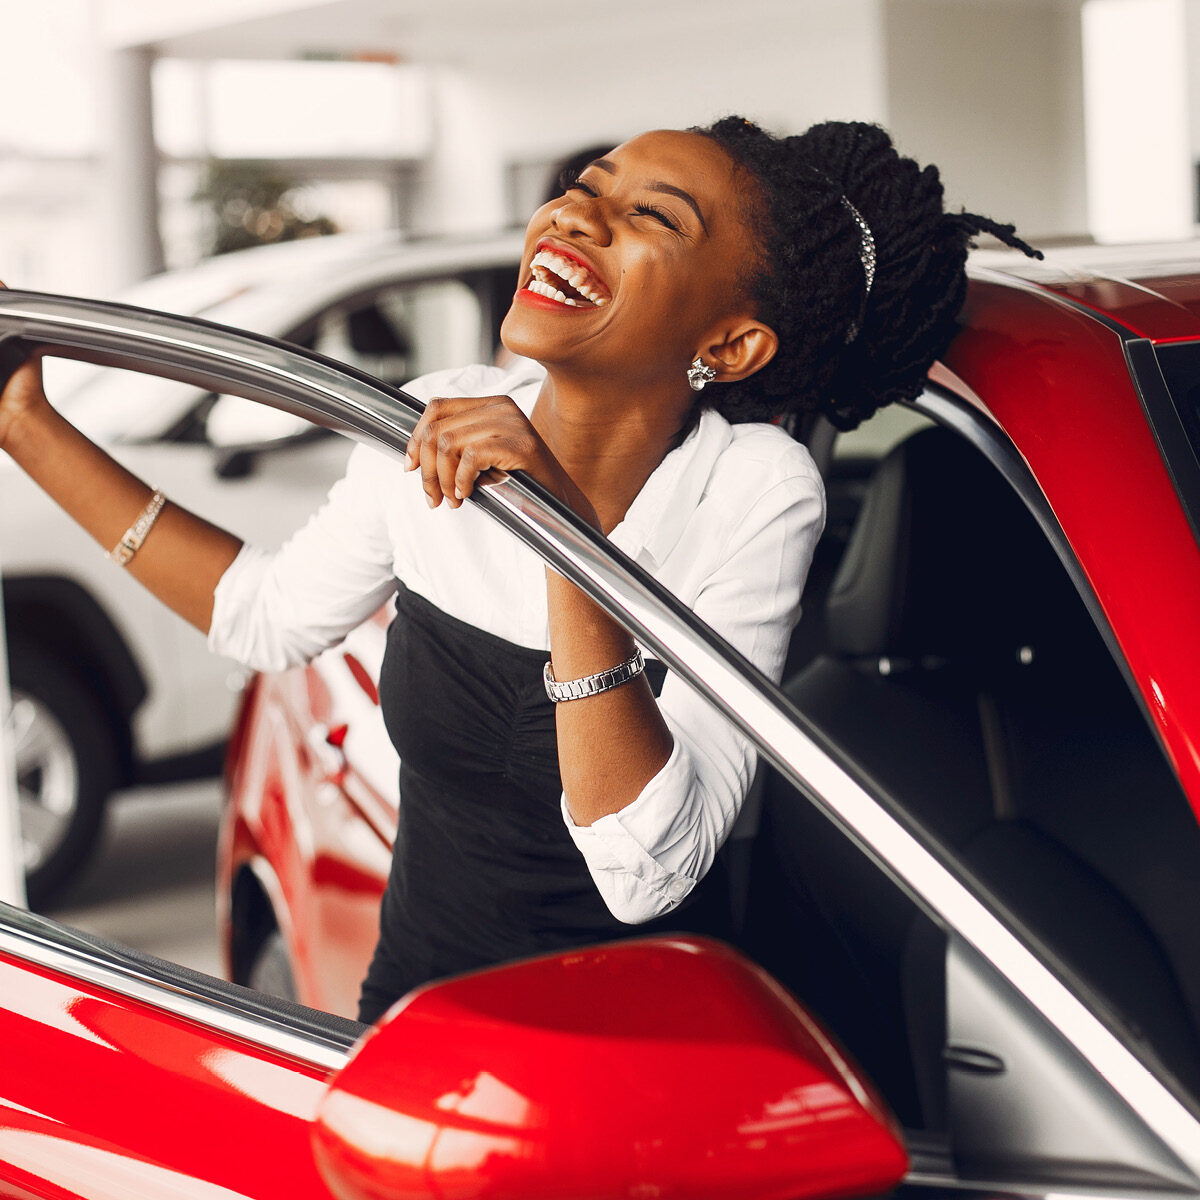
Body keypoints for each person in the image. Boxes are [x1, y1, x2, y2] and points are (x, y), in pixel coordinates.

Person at [0, 118, 1039, 1023]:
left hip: (645, 1054)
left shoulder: (756, 490)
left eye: (652, 218)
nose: (577, 217)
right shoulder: (435, 410)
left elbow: (648, 871)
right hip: (416, 1019)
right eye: (588, 187)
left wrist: (556, 527)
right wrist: (26, 424)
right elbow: (266, 617)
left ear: (729, 344)